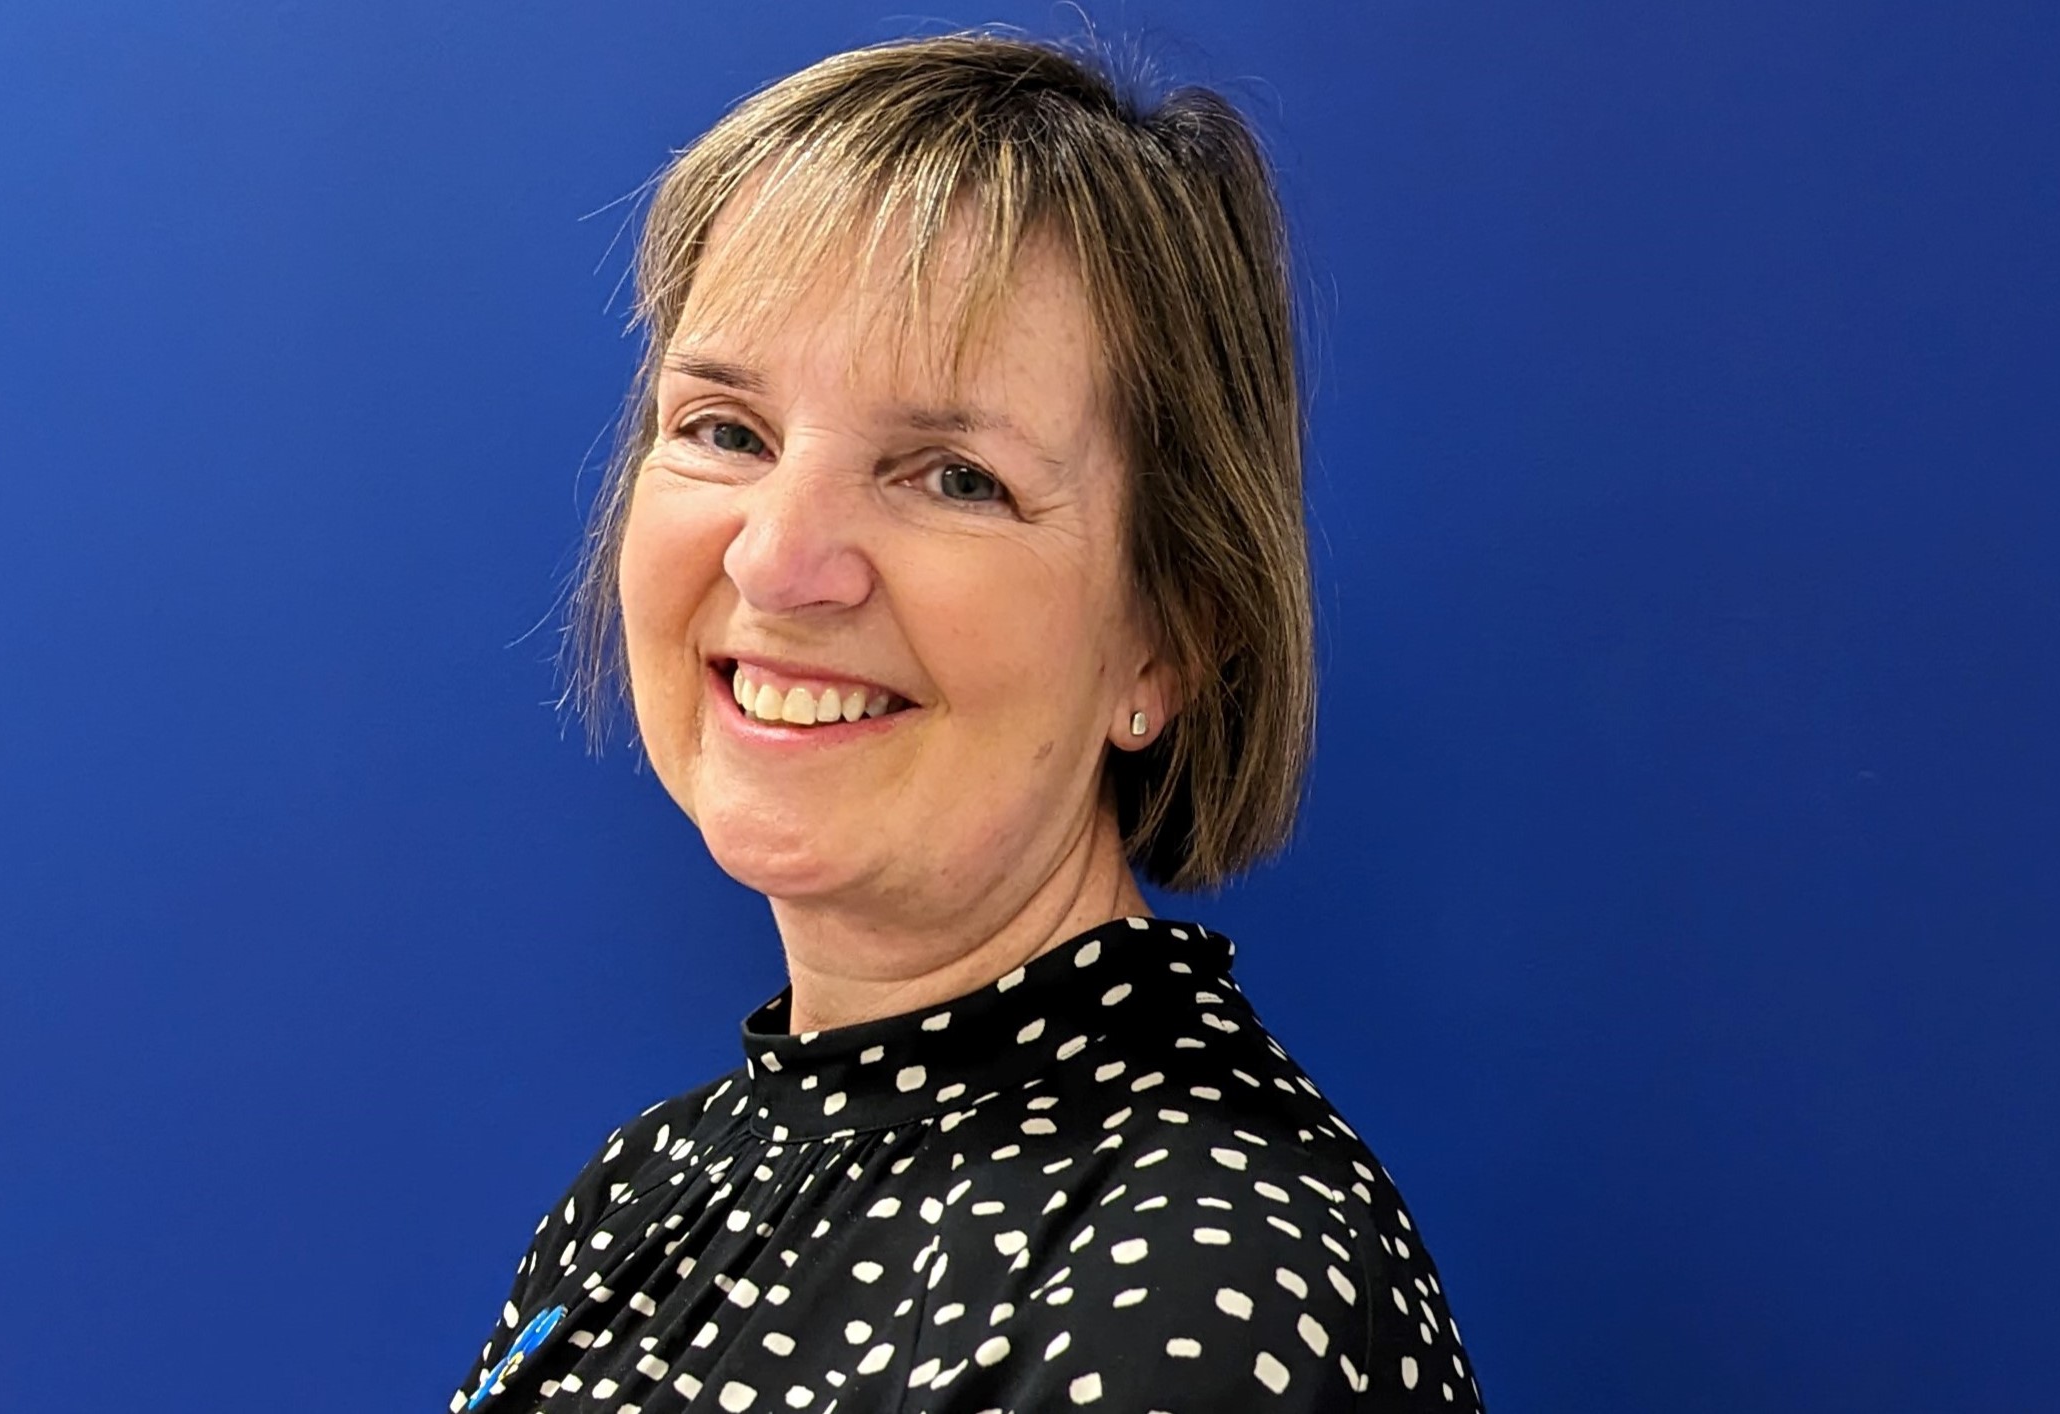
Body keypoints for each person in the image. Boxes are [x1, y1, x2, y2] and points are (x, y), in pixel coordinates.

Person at [453, 30, 1483, 1413]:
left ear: (1168, 632)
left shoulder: (1201, 1275)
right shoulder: (653, 1185)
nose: (776, 560)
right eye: (726, 429)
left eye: (951, 476)